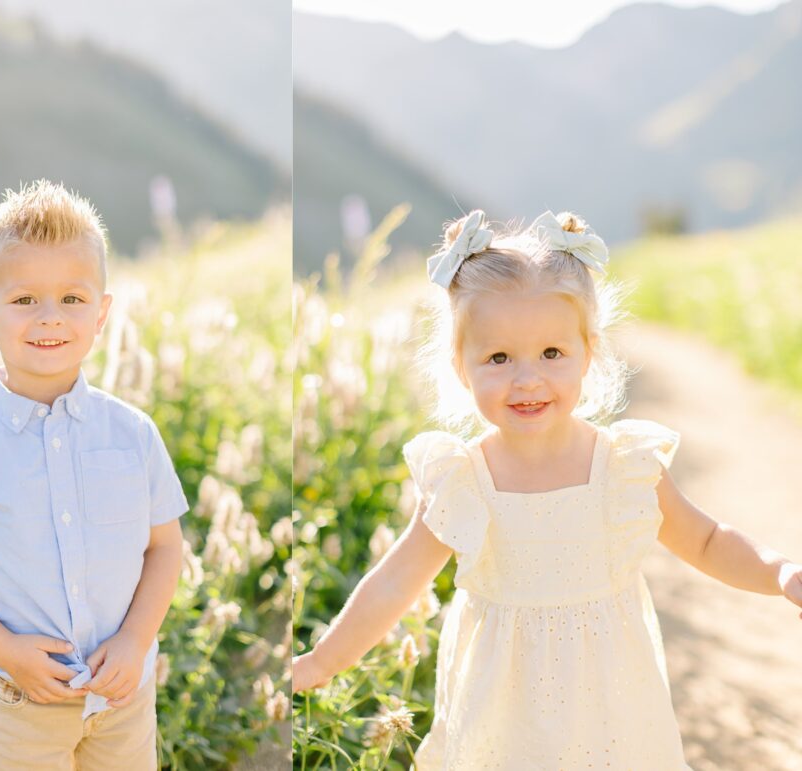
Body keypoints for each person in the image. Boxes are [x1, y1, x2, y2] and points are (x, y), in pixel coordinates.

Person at [291, 209, 802, 768]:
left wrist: (779, 572)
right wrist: (321, 662)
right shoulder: (463, 480)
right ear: (461, 367)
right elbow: (394, 583)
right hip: (501, 718)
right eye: (498, 358)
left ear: (589, 352)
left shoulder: (624, 467)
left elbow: (706, 541)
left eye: (551, 354)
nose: (527, 378)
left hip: (611, 712)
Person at [0, 180, 188, 770]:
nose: (50, 318)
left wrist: (134, 640)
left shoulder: (133, 434)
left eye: (73, 299)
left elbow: (165, 548)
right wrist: (7, 652)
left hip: (123, 697)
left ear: (102, 313)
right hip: (18, 701)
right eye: (24, 300)